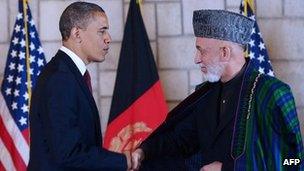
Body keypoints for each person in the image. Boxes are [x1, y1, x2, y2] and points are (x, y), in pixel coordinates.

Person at [131, 9, 304, 171]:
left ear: (224, 53)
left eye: (201, 51)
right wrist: (144, 151)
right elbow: (179, 140)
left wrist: (229, 168)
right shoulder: (206, 95)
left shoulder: (272, 92)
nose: (196, 59)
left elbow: (295, 160)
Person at [28, 2, 131, 170]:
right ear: (77, 34)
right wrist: (123, 161)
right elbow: (68, 154)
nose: (108, 38)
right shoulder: (60, 79)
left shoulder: (67, 73)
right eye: (102, 31)